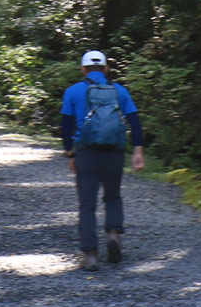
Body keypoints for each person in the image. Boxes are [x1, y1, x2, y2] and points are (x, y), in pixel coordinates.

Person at [59, 49, 146, 271]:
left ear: (83, 70)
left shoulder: (73, 92)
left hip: (86, 152)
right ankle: (114, 234)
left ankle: (90, 255)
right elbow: (134, 122)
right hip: (114, 152)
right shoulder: (119, 91)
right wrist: (138, 151)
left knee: (87, 204)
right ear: (106, 69)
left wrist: (70, 154)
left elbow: (65, 126)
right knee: (113, 196)